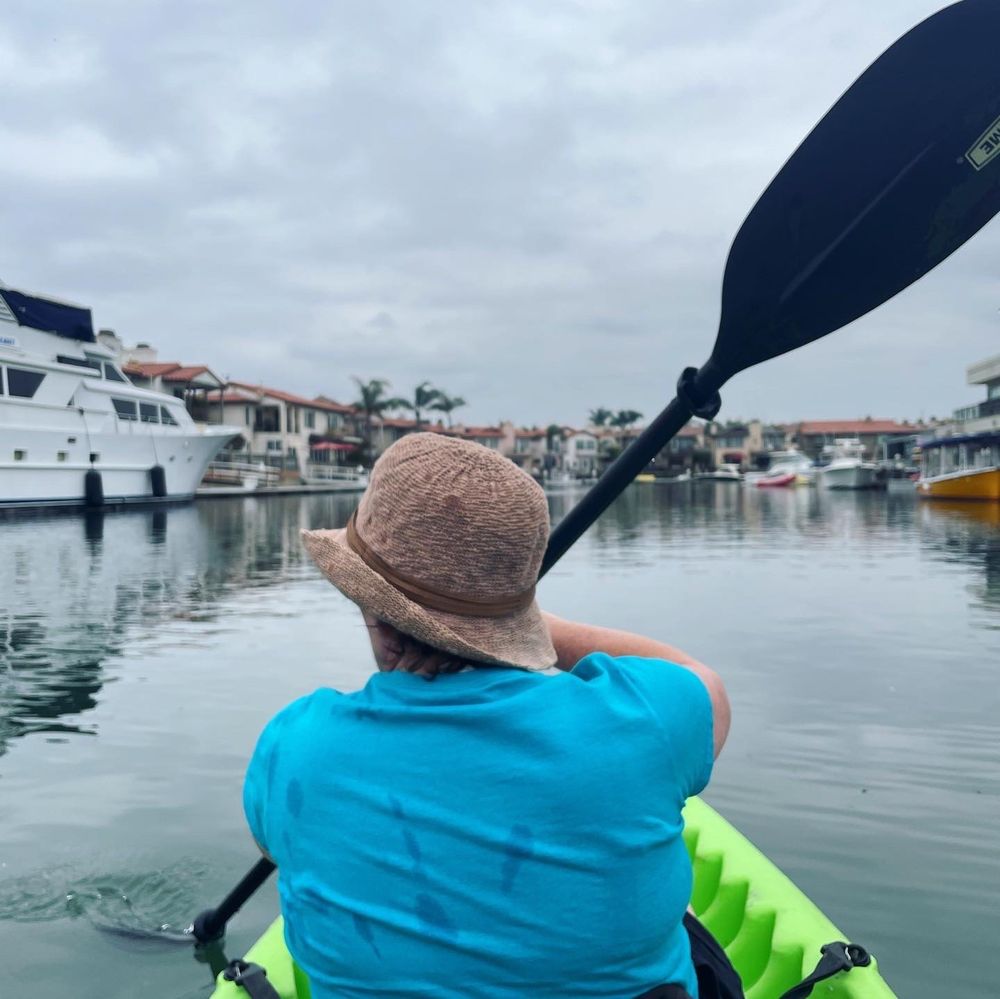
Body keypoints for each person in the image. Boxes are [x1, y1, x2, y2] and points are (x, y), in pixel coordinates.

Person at [243, 432, 736, 999]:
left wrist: (471, 619)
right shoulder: (644, 723)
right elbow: (705, 684)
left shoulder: (291, 746)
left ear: (370, 607)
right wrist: (512, 620)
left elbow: (276, 848)